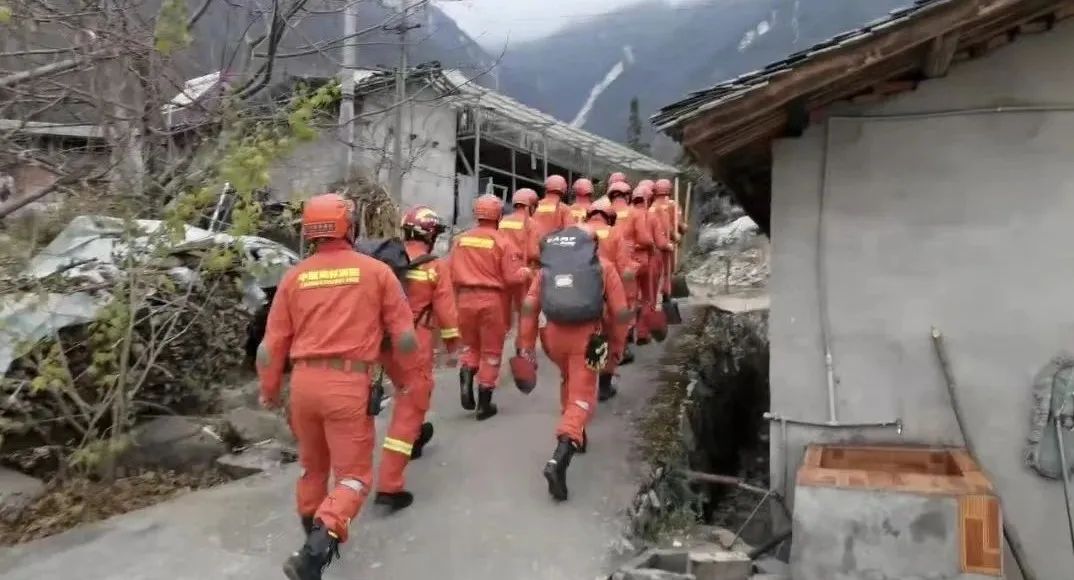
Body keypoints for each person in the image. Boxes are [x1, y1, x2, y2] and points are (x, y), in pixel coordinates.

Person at [258, 193, 418, 580]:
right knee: (354, 476)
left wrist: (269, 389)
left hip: (304, 385)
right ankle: (315, 552)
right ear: (350, 225)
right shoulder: (376, 272)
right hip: (346, 384)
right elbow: (405, 337)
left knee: (313, 469)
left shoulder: (294, 276)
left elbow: (269, 346)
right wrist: (409, 378)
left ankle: (311, 535)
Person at [516, 224, 631, 501]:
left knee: (568, 378)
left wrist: (526, 347)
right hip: (588, 339)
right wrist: (616, 348)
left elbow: (530, 306)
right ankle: (560, 455)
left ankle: (578, 434)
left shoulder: (546, 270)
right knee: (584, 395)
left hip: (552, 338)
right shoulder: (604, 268)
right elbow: (621, 313)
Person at [374, 206, 460, 511]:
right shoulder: (435, 267)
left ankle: (417, 436)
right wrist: (453, 347)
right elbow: (447, 313)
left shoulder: (386, 263)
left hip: (384, 345)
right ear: (431, 234)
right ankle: (389, 485)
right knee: (411, 402)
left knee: (411, 390)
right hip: (415, 342)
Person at [451, 194, 530, 420]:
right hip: (491, 301)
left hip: (464, 299)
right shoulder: (502, 242)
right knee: (491, 352)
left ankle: (466, 375)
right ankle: (484, 405)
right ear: (498, 215)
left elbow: (450, 271)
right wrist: (525, 272)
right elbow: (511, 277)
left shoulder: (461, 240)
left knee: (470, 347)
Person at [583, 196, 637, 401]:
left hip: (580, 297)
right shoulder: (615, 233)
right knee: (610, 338)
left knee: (585, 339)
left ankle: (581, 388)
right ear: (610, 217)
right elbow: (624, 269)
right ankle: (603, 386)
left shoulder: (577, 230)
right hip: (608, 294)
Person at [608, 180, 652, 352]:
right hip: (629, 264)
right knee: (630, 300)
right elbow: (643, 238)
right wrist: (651, 246)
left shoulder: (604, 212)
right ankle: (626, 339)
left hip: (605, 265)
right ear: (627, 196)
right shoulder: (634, 213)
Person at [634, 184, 672, 344]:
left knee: (629, 298)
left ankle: (626, 334)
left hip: (626, 262)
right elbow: (661, 242)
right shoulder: (652, 217)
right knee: (647, 298)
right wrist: (668, 246)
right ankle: (642, 333)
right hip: (649, 261)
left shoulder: (625, 215)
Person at [499, 188, 541, 324]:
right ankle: (524, 339)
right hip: (523, 270)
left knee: (504, 306)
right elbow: (533, 252)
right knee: (526, 309)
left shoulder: (503, 221)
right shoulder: (531, 223)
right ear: (531, 205)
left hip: (504, 268)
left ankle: (505, 330)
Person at [652, 178, 686, 297]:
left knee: (655, 273)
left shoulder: (651, 206)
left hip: (653, 246)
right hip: (667, 244)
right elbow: (679, 226)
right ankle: (666, 295)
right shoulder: (672, 205)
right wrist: (683, 229)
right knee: (667, 272)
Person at [532, 174, 573, 241]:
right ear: (564, 189)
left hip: (535, 245)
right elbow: (570, 234)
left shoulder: (534, 206)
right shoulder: (565, 209)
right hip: (554, 247)